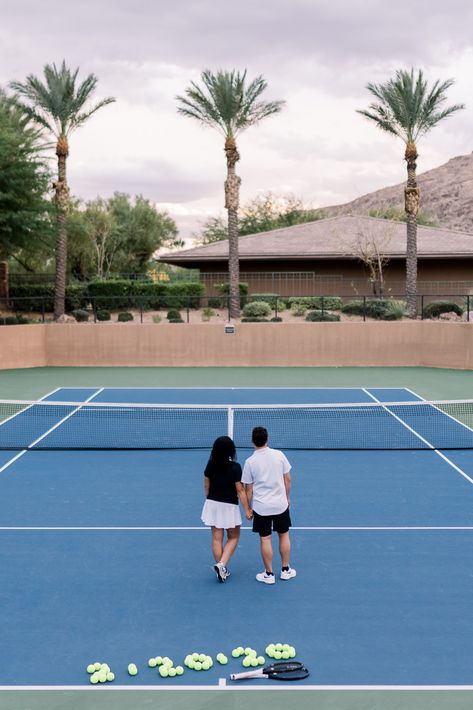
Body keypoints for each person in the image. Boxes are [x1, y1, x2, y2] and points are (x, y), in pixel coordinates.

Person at [242, 426, 296, 585]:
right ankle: (285, 570)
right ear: (267, 439)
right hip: (280, 505)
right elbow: (288, 480)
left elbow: (249, 489)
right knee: (284, 535)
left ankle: (269, 574)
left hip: (261, 507)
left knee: (265, 539)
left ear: (253, 441)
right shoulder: (279, 455)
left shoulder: (250, 462)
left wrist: (248, 508)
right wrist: (287, 498)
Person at [201, 435, 252, 583]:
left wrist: (210, 501)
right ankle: (222, 565)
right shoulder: (235, 467)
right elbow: (241, 491)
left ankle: (221, 569)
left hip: (212, 504)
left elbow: (206, 486)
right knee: (234, 537)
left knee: (217, 538)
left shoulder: (210, 465)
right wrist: (247, 509)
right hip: (228, 506)